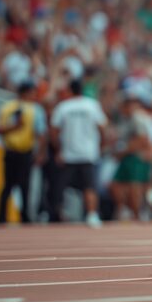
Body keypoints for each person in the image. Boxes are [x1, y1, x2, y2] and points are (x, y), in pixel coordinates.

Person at [50, 79, 108, 228]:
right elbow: (102, 127)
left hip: (68, 153)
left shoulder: (63, 107)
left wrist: (58, 150)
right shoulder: (92, 105)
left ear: (69, 90)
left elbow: (54, 131)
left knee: (60, 186)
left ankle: (57, 214)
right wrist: (100, 146)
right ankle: (92, 215)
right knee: (90, 186)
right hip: (89, 153)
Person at [0, 79, 47, 224]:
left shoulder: (8, 107)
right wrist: (41, 153)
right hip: (19, 151)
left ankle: (9, 217)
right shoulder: (32, 109)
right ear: (26, 92)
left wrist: (40, 152)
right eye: (32, 92)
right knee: (16, 186)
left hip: (18, 151)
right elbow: (41, 134)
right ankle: (12, 217)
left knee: (15, 186)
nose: (34, 95)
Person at [111, 87, 152, 222]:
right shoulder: (129, 117)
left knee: (135, 186)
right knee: (119, 185)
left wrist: (123, 152)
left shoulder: (137, 117)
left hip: (137, 156)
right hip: (132, 156)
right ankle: (132, 211)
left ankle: (138, 214)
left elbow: (142, 139)